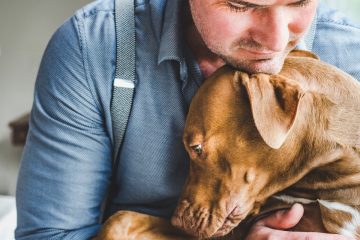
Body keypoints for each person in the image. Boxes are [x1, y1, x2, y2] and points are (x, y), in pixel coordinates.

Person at [15, 0, 360, 239]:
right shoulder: (91, 48)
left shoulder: (350, 53)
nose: (277, 41)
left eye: (299, 1)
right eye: (240, 4)